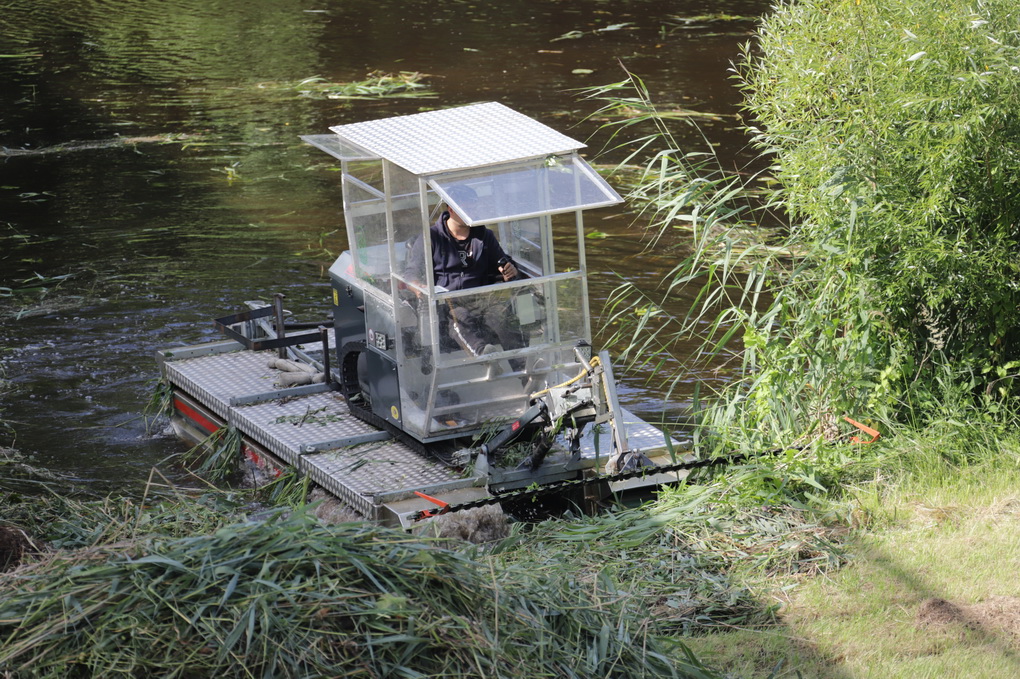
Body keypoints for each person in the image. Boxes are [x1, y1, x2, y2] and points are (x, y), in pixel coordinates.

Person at [404, 185, 526, 371]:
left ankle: (526, 371)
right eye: (466, 208)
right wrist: (420, 287)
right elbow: (410, 274)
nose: (471, 212)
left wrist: (509, 270)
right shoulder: (430, 238)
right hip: (450, 302)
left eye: (474, 207)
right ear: (451, 209)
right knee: (460, 320)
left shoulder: (485, 235)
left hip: (484, 298)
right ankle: (487, 358)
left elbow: (503, 262)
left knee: (503, 317)